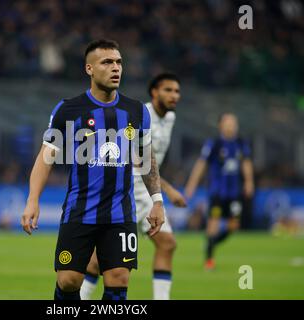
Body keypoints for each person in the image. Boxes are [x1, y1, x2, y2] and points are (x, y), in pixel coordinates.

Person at [21, 39, 165, 300]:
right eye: (107, 62)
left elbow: (146, 158)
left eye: (119, 62)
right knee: (68, 281)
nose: (115, 68)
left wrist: (157, 200)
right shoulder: (68, 109)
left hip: (120, 213)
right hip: (80, 210)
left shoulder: (136, 111)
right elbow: (46, 156)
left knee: (119, 280)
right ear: (89, 69)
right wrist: (33, 200)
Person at [80, 73, 187, 300]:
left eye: (177, 91)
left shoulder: (169, 118)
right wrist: (167, 190)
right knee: (100, 260)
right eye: (168, 90)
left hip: (146, 191)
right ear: (154, 92)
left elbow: (151, 161)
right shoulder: (139, 115)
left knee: (166, 244)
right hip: (126, 190)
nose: (174, 96)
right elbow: (135, 158)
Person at [185, 113, 254, 270]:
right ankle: (209, 260)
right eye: (228, 122)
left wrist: (249, 182)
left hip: (234, 192)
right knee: (213, 224)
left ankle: (211, 243)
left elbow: (246, 163)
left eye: (233, 122)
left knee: (233, 226)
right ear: (221, 125)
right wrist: (191, 184)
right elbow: (201, 164)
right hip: (217, 192)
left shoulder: (241, 143)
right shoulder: (214, 143)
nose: (231, 126)